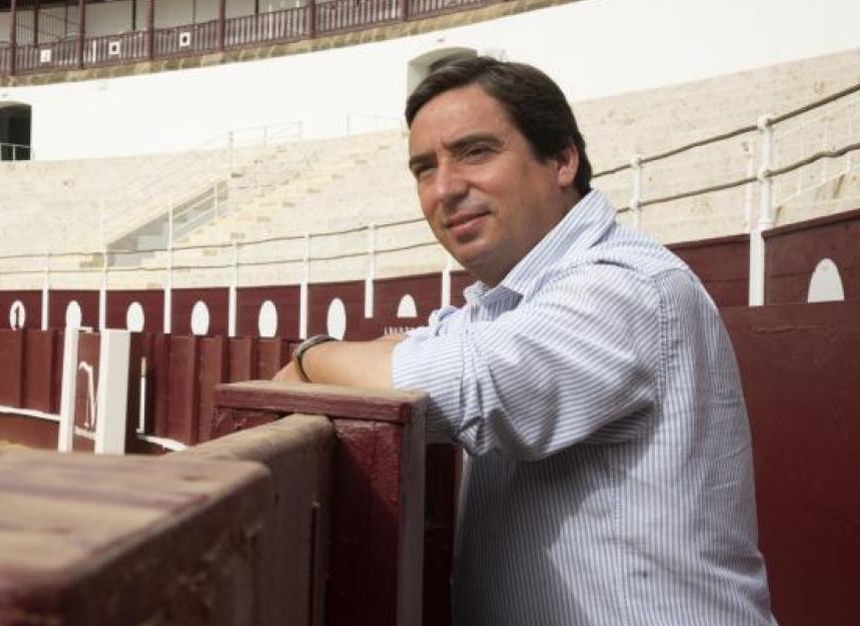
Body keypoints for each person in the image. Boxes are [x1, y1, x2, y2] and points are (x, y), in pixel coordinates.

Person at [275, 57, 776, 625]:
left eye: (476, 152)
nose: (444, 189)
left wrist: (310, 354)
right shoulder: (513, 300)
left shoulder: (624, 284)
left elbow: (465, 386)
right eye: (423, 168)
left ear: (562, 160)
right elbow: (419, 350)